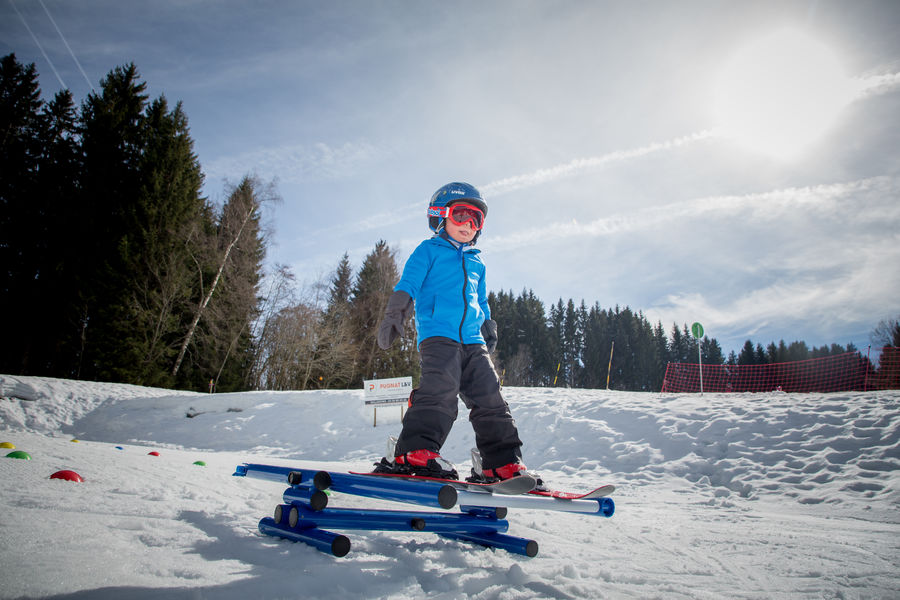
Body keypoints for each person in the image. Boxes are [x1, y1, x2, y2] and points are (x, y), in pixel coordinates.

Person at [374, 181, 531, 483]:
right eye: (461, 215)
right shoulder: (428, 250)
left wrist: (487, 325)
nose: (468, 224)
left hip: (472, 340)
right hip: (438, 335)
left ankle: (501, 463)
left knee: (491, 397)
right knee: (441, 389)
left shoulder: (477, 261)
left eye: (476, 219)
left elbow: (480, 299)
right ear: (440, 216)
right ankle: (414, 451)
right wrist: (396, 314)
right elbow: (409, 284)